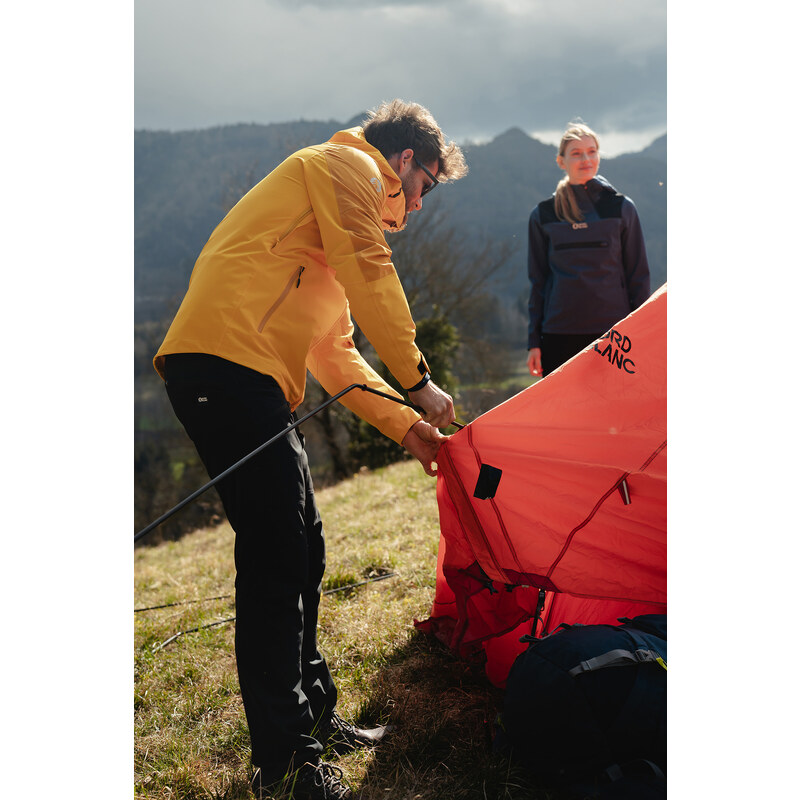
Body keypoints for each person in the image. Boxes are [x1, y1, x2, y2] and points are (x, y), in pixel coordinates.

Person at [152, 99, 468, 800]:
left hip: (254, 380)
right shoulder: (346, 167)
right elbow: (372, 267)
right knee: (274, 561)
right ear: (405, 160)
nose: (418, 209)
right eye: (425, 190)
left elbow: (338, 356)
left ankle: (314, 721)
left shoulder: (324, 229)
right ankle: (284, 765)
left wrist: (412, 431)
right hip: (223, 367)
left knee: (305, 548)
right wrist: (418, 381)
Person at [526, 121, 651, 378]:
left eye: (592, 151)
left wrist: (640, 334)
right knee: (564, 416)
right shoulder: (544, 215)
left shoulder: (622, 209)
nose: (586, 159)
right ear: (561, 161)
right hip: (558, 335)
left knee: (614, 415)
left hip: (614, 335)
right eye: (576, 153)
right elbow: (538, 282)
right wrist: (533, 342)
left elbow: (638, 278)